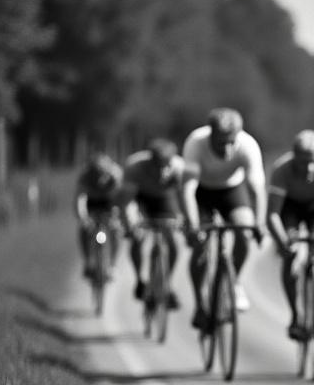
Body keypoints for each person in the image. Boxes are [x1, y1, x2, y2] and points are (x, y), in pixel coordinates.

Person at [181, 108, 266, 326]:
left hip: (232, 190)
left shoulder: (248, 145)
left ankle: (233, 280)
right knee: (200, 245)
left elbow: (257, 190)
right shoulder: (195, 143)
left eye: (231, 142)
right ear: (211, 134)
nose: (227, 149)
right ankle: (200, 304)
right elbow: (188, 190)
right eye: (221, 143)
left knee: (244, 231)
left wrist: (259, 223)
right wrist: (193, 225)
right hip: (202, 192)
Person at [266, 130, 314, 343]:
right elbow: (272, 215)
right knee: (291, 256)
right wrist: (282, 242)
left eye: (312, 162)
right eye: (302, 163)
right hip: (291, 208)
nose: (308, 169)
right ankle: (296, 316)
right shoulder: (282, 169)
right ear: (294, 157)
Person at [120, 138, 193, 308]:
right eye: (157, 166)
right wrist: (131, 224)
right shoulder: (134, 166)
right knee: (138, 238)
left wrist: (187, 222)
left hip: (164, 199)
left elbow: (184, 199)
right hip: (141, 198)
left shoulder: (179, 167)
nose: (162, 171)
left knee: (172, 242)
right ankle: (139, 280)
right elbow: (127, 202)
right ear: (150, 161)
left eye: (165, 166)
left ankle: (167, 284)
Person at [74, 152, 124, 279]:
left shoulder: (116, 174)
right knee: (84, 230)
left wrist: (116, 217)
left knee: (116, 230)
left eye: (102, 174)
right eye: (96, 174)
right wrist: (84, 218)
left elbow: (122, 199)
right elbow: (80, 200)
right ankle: (87, 262)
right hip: (91, 203)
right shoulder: (84, 176)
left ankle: (113, 264)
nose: (99, 178)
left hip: (110, 203)